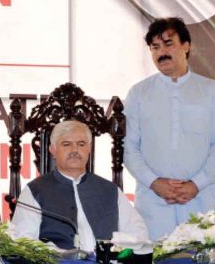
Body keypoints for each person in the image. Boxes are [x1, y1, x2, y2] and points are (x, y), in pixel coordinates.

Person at [124, 17, 215, 240]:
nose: (161, 52)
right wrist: (155, 183)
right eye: (155, 47)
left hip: (203, 199)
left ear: (186, 46)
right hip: (154, 203)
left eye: (168, 43)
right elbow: (128, 148)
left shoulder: (210, 91)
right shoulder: (138, 93)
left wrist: (197, 184)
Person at [12, 120, 148, 252]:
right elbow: (22, 241)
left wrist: (112, 245)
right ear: (52, 150)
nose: (75, 150)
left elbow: (138, 234)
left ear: (89, 149)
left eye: (81, 144)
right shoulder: (35, 191)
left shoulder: (110, 191)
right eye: (66, 144)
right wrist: (57, 254)